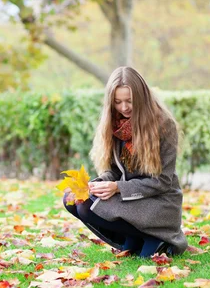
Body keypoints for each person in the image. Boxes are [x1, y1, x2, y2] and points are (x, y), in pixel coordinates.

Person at [63, 66, 188, 257]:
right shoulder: (114, 124)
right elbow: (114, 170)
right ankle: (136, 238)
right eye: (118, 102)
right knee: (73, 199)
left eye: (130, 101)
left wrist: (118, 188)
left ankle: (160, 237)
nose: (124, 107)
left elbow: (162, 181)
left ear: (142, 96)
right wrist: (100, 184)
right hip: (130, 199)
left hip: (159, 202)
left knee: (87, 207)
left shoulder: (163, 124)